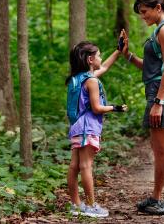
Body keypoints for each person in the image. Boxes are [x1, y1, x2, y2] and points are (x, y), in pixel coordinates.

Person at [120, 0, 164, 215]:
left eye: (145, 11)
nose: (142, 16)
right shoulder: (159, 31)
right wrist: (127, 55)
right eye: (140, 13)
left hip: (163, 95)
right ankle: (156, 197)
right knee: (158, 151)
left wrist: (159, 102)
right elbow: (152, 69)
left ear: (158, 7)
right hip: (157, 92)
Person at [66, 41, 127, 218]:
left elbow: (105, 66)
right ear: (91, 59)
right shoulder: (91, 81)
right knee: (86, 166)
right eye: (99, 55)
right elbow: (96, 108)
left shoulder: (77, 79)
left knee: (74, 166)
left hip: (76, 126)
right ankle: (91, 206)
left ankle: (76, 204)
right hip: (87, 127)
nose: (101, 58)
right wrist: (115, 108)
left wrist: (118, 51)